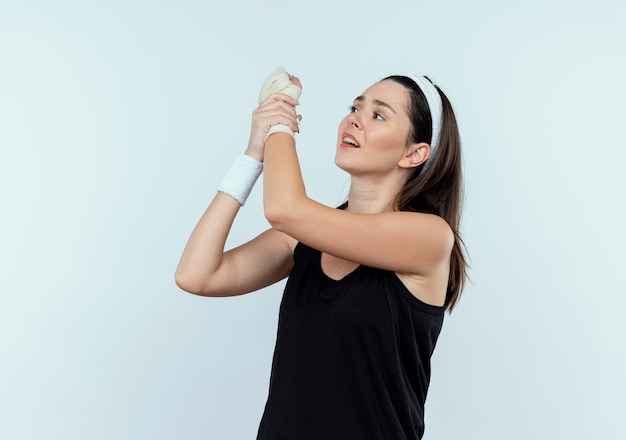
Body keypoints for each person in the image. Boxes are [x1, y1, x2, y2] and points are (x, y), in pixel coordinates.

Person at [175, 68, 467, 440]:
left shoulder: (429, 237)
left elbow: (285, 208)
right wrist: (253, 154)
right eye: (355, 107)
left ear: (415, 153)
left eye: (378, 115)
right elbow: (196, 274)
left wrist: (281, 120)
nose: (355, 119)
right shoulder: (300, 240)